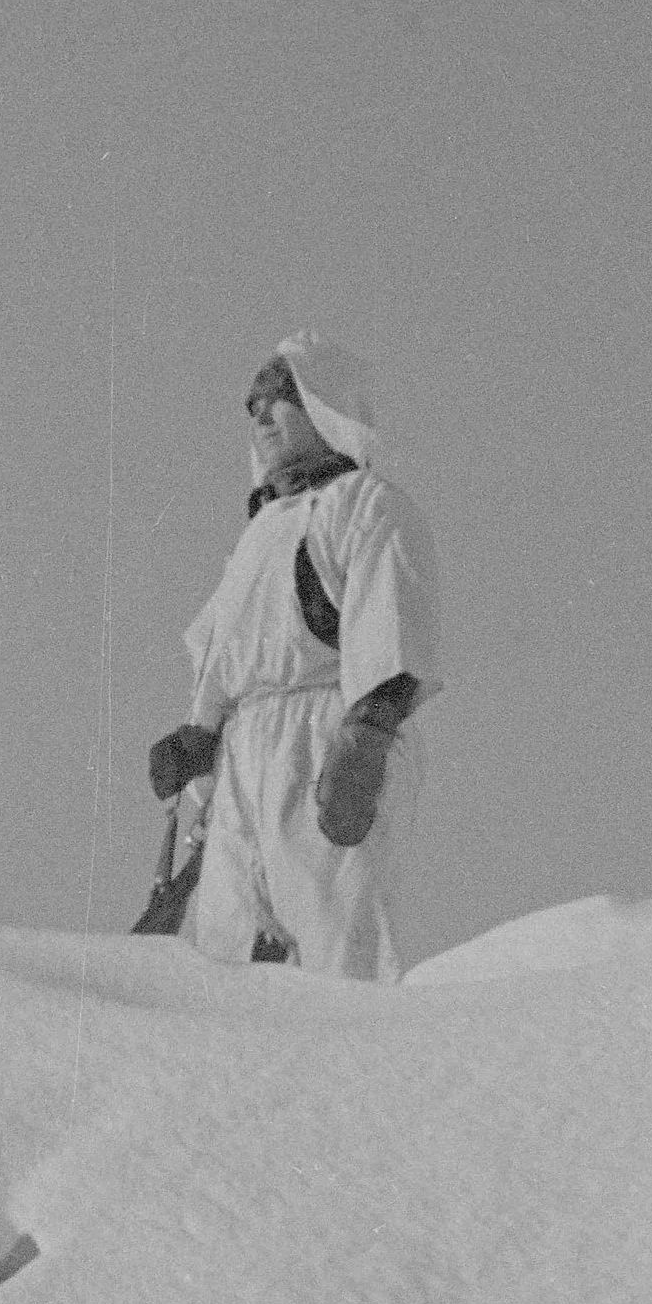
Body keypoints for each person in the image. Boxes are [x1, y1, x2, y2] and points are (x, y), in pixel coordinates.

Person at [146, 334, 439, 978]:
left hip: (322, 750)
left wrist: (363, 743)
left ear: (323, 403)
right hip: (243, 764)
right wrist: (200, 736)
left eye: (279, 398)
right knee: (225, 952)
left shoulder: (366, 506)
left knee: (338, 945)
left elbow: (391, 630)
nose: (259, 416)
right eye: (252, 404)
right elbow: (224, 653)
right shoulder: (256, 535)